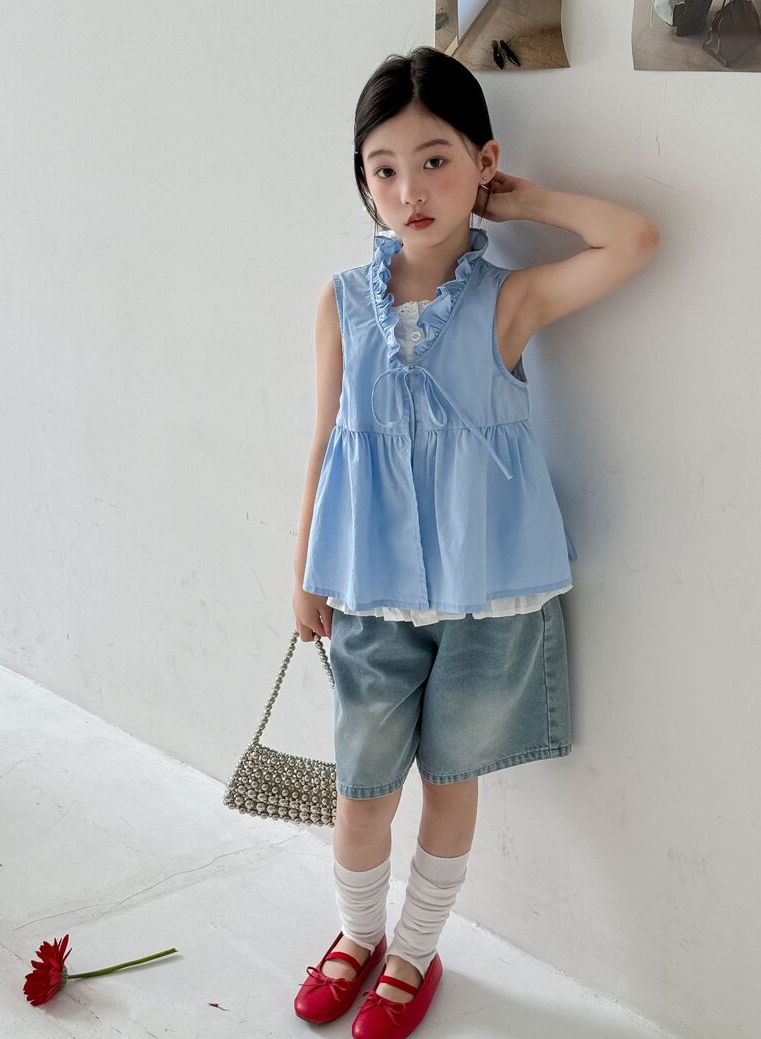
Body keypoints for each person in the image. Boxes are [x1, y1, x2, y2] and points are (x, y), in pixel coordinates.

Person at [291, 45, 660, 1037]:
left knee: (450, 781)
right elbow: (325, 439)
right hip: (369, 589)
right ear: (363, 178)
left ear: (481, 162)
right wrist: (304, 571)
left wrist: (525, 201)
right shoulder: (342, 301)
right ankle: (355, 935)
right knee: (363, 788)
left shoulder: (509, 299)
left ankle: (414, 951)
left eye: (436, 161)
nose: (409, 191)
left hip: (486, 593)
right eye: (383, 168)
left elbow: (634, 238)